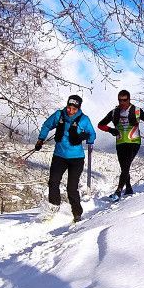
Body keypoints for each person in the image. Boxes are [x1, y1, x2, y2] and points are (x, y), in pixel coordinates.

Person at [35, 94, 96, 222]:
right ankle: (54, 207)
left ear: (78, 108)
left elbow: (92, 134)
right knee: (53, 182)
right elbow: (46, 125)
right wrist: (41, 139)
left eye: (74, 109)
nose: (70, 111)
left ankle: (77, 213)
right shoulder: (59, 115)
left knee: (71, 187)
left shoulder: (84, 119)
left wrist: (84, 137)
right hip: (59, 156)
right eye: (69, 107)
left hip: (76, 158)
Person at [98, 89, 144, 201]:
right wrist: (111, 130)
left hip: (133, 142)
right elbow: (100, 125)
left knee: (126, 166)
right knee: (124, 167)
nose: (122, 102)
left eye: (124, 100)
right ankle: (128, 188)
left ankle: (118, 191)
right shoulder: (114, 112)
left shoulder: (137, 110)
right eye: (120, 100)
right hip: (120, 143)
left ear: (129, 99)